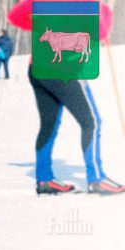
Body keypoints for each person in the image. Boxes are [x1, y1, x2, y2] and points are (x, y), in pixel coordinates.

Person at [8, 0, 124, 195]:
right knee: (91, 122)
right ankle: (96, 179)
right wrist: (103, 8)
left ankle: (44, 180)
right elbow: (100, 32)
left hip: (37, 68)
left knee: (49, 125)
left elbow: (15, 16)